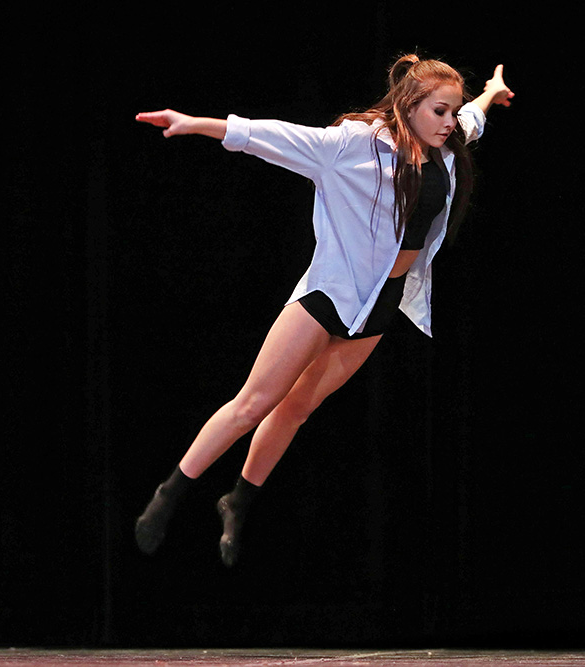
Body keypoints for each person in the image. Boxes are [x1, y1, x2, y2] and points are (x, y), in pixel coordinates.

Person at [134, 54, 514, 567]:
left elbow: (474, 119)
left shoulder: (446, 145)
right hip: (328, 296)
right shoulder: (352, 146)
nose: (450, 122)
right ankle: (170, 493)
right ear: (410, 106)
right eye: (440, 112)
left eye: (453, 113)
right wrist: (194, 124)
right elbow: (273, 136)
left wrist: (491, 92)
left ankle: (238, 500)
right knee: (256, 402)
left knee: (297, 408)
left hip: (382, 304)